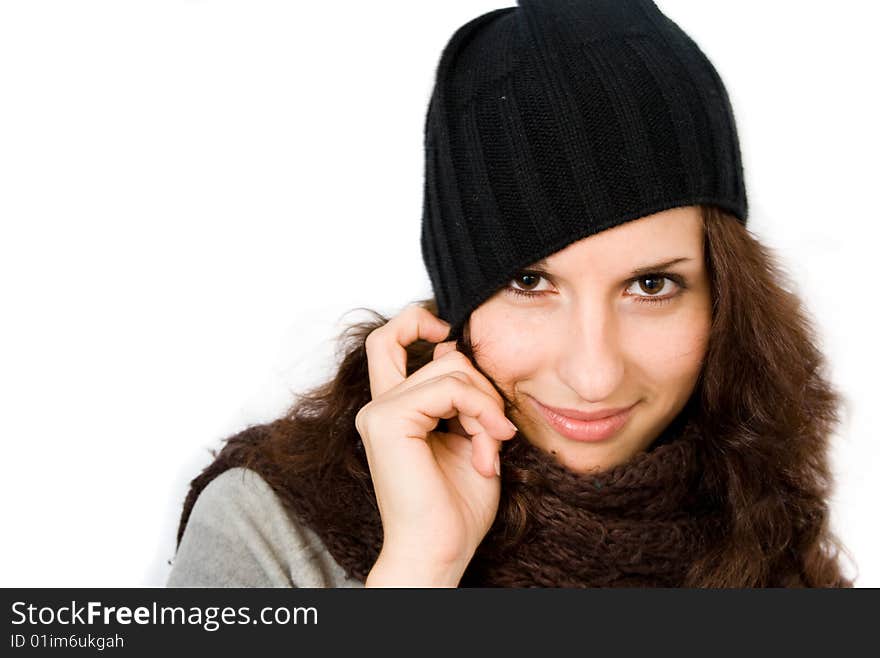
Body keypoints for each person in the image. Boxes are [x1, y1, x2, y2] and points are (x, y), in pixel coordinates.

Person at [166, 0, 856, 588]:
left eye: (651, 285)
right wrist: (419, 568)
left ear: (725, 299)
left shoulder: (761, 517)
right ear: (456, 303)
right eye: (529, 282)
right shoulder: (270, 535)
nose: (594, 374)